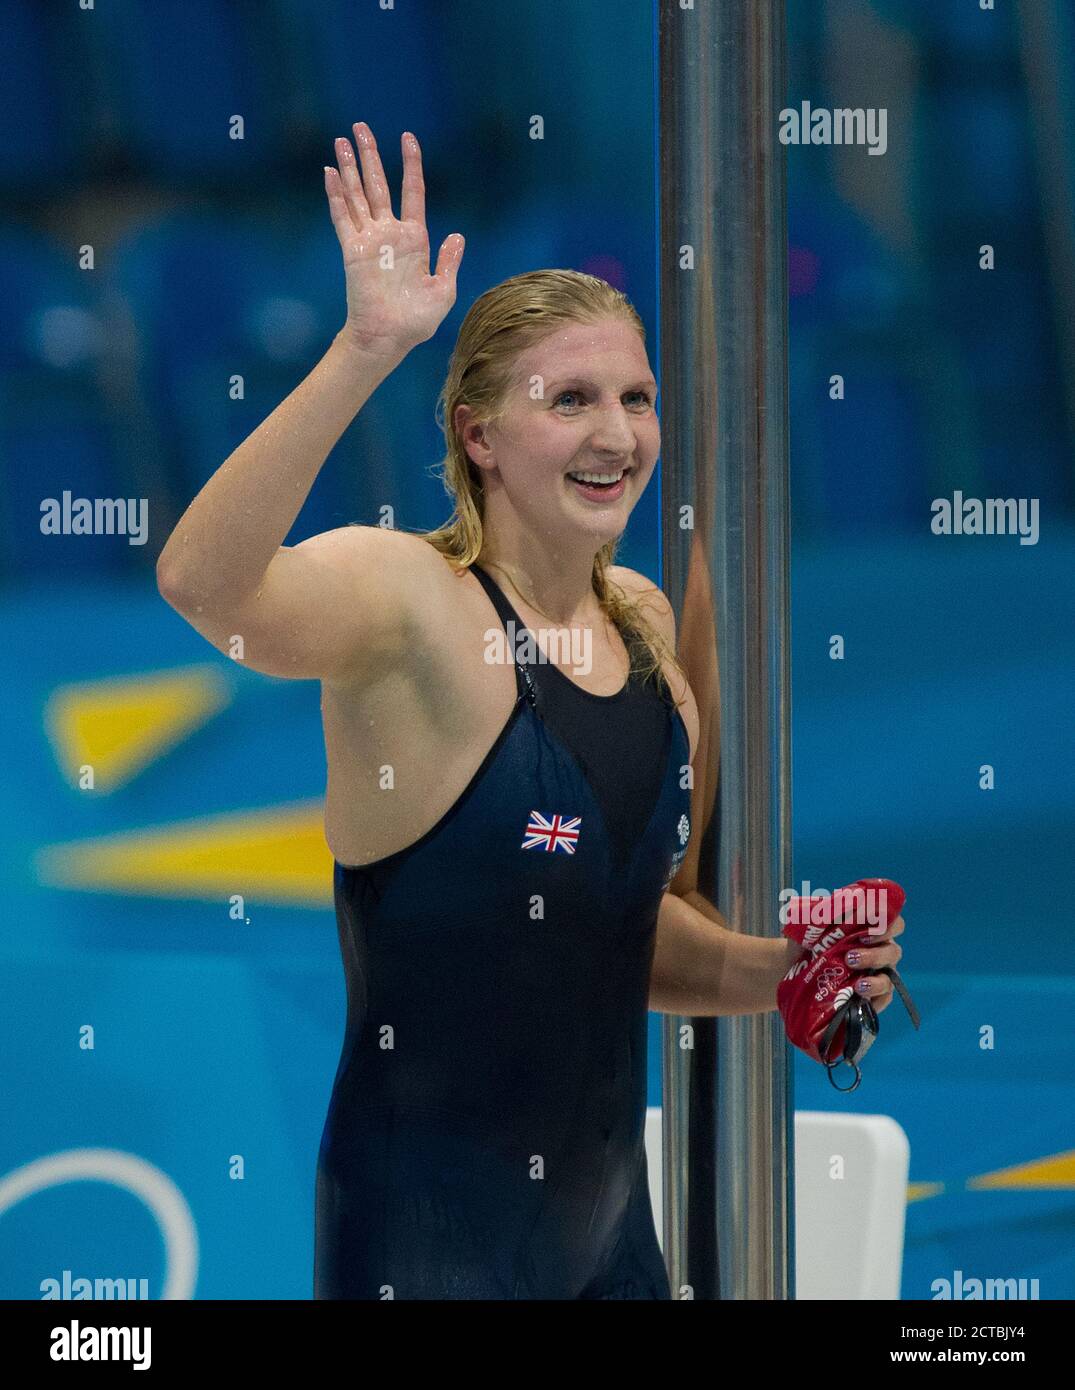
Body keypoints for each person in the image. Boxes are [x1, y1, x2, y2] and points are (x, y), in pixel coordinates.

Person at [156, 121, 905, 1299]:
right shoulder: (409, 601)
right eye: (569, 401)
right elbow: (205, 585)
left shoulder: (649, 629)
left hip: (611, 1246)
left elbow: (619, 932)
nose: (616, 436)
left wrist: (784, 972)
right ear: (478, 435)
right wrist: (364, 349)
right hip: (425, 1243)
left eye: (636, 398)